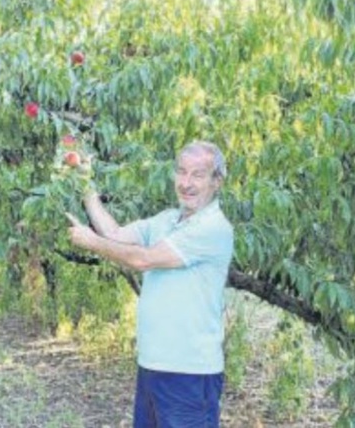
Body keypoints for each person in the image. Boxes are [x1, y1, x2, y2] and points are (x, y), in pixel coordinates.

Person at [65, 141, 234, 428]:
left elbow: (143, 260)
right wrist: (86, 186)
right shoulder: (167, 220)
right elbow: (115, 233)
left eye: (198, 175)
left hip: (190, 374)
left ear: (216, 181)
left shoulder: (213, 228)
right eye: (181, 172)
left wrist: (91, 242)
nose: (186, 183)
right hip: (153, 367)